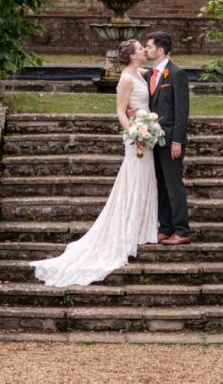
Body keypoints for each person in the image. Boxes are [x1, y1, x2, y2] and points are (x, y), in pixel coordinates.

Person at [30, 39, 159, 286]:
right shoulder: (125, 79)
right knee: (133, 179)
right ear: (133, 56)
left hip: (147, 132)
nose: (145, 50)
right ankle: (128, 230)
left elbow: (158, 72)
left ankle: (143, 227)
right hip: (136, 137)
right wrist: (135, 132)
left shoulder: (142, 73)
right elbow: (121, 111)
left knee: (145, 178)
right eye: (141, 48)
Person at [143, 30, 191, 245]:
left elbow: (182, 111)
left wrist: (177, 141)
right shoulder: (149, 75)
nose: (146, 49)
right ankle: (166, 228)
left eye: (149, 46)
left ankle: (182, 231)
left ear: (160, 50)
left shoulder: (176, 73)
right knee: (161, 186)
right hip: (154, 140)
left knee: (174, 186)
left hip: (171, 140)